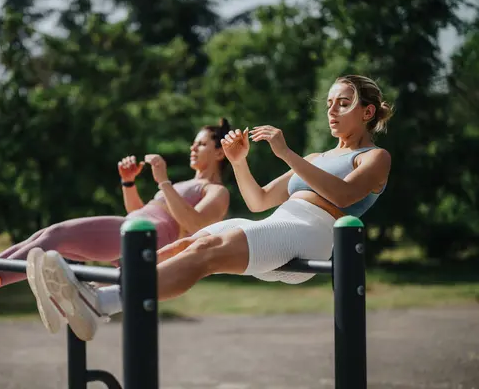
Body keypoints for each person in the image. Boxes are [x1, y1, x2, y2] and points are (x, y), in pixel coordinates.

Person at [25, 74, 394, 341]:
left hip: (311, 233)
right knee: (189, 244)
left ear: (367, 112)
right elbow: (259, 201)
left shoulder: (375, 157)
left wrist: (286, 154)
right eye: (329, 103)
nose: (332, 110)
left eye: (343, 103)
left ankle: (101, 302)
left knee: (206, 251)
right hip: (279, 223)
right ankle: (86, 291)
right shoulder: (317, 157)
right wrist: (238, 161)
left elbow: (344, 197)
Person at [0, 118, 233, 333]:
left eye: (202, 143)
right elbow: (139, 212)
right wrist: (128, 182)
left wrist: (163, 180)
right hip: (133, 228)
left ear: (219, 152)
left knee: (57, 236)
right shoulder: (181, 184)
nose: (193, 148)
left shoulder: (216, 192)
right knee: (48, 235)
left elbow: (193, 224)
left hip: (150, 242)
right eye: (194, 143)